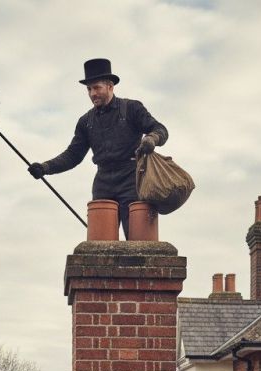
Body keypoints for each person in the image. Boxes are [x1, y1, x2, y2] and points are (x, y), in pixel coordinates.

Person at [28, 58, 168, 237]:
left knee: (140, 244)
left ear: (110, 86)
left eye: (97, 87)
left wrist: (152, 138)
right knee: (99, 245)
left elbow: (160, 129)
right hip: (103, 184)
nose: (92, 93)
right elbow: (73, 155)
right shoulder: (86, 122)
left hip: (133, 180)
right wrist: (45, 167)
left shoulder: (132, 108)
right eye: (89, 89)